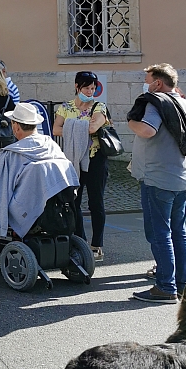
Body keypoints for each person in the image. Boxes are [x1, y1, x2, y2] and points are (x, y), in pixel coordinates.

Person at [128, 63, 186, 303]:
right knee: (179, 231)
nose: (145, 84)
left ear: (157, 83)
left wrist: (131, 122)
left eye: (147, 80)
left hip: (158, 178)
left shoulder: (156, 103)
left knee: (160, 233)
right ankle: (184, 284)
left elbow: (148, 131)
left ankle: (165, 287)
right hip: (183, 178)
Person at [0, 103, 80, 236]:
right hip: (52, 199)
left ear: (16, 126)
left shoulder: (11, 153)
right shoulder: (52, 145)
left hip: (21, 206)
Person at [52, 70, 109, 261]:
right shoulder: (65, 107)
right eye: (87, 88)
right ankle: (80, 241)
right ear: (77, 87)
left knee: (96, 202)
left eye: (93, 88)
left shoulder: (99, 107)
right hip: (73, 159)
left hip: (95, 159)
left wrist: (70, 126)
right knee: (73, 201)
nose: (90, 92)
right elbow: (55, 129)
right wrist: (79, 127)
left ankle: (97, 244)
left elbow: (93, 127)